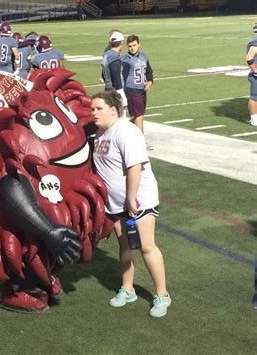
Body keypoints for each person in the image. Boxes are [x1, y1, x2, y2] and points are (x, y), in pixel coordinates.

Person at [90, 90, 170, 318]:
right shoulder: (100, 133)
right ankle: (128, 289)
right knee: (125, 245)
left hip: (138, 200)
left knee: (146, 246)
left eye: (98, 108)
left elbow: (134, 166)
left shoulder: (126, 131)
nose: (93, 112)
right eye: (92, 108)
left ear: (114, 110)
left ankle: (162, 295)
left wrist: (130, 198)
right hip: (116, 203)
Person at [121, 35, 153, 134]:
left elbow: (149, 71)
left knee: (137, 116)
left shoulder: (143, 56)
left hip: (142, 90)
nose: (132, 48)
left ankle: (126, 131)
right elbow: (122, 77)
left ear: (139, 44)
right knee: (139, 116)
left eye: (134, 45)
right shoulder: (126, 59)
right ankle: (141, 140)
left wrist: (150, 82)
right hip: (132, 90)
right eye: (130, 46)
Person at [101, 31, 128, 116]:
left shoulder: (106, 54)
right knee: (119, 118)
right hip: (115, 92)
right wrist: (123, 98)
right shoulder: (114, 59)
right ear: (121, 43)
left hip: (108, 89)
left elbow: (103, 74)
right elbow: (117, 80)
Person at [246, 23, 257, 127]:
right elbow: (250, 57)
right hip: (256, 76)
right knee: (255, 97)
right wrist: (255, 70)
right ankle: (254, 119)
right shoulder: (255, 41)